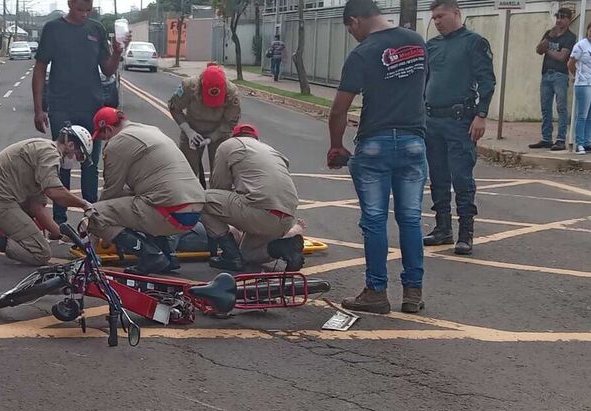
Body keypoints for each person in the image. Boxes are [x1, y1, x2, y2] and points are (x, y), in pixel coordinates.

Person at [327, 0, 428, 315]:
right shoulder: (418, 42)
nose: (353, 36)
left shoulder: (363, 53)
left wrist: (336, 146)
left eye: (350, 30)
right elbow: (421, 87)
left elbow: (339, 109)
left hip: (375, 143)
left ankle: (376, 291)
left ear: (355, 21)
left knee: (374, 221)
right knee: (410, 219)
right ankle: (413, 293)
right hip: (414, 141)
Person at [32, 0, 129, 225]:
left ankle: (92, 218)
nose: (84, 15)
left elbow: (107, 69)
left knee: (90, 165)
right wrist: (39, 109)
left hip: (92, 108)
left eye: (89, 10)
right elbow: (39, 69)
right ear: (69, 4)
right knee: (62, 163)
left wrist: (116, 52)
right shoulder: (53, 29)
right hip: (61, 106)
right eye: (79, 10)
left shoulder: (96, 29)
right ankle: (60, 221)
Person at [86, 107, 206, 274]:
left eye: (103, 136)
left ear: (108, 129)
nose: (104, 140)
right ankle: (167, 256)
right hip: (194, 209)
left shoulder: (117, 143)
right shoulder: (151, 130)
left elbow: (111, 192)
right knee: (142, 199)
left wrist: (92, 229)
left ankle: (151, 256)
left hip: (169, 211)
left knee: (97, 213)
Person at [423, 0, 495, 256]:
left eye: (441, 16)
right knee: (437, 176)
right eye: (434, 17)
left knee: (462, 177)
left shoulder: (474, 42)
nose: (437, 21)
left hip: (459, 121)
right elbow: (426, 80)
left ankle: (466, 232)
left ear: (456, 13)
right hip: (432, 120)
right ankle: (442, 227)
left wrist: (481, 115)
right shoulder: (431, 45)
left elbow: (487, 81)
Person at [0, 125, 96, 266]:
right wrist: (84, 204)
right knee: (41, 253)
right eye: (79, 156)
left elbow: (36, 206)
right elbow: (55, 192)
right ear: (70, 145)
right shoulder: (50, 154)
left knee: (36, 232)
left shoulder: (43, 149)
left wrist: (62, 235)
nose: (77, 161)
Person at [201, 124, 305, 272]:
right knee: (247, 254)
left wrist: (228, 226)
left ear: (235, 136)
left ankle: (230, 256)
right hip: (286, 217)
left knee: (200, 199)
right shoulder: (272, 151)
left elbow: (219, 187)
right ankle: (284, 249)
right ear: (257, 138)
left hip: (259, 212)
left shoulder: (228, 145)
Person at [167, 63, 242, 187]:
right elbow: (174, 108)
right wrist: (189, 131)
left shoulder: (232, 93)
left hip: (220, 132)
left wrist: (211, 138)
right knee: (187, 173)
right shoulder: (189, 86)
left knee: (220, 175)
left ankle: (217, 201)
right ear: (200, 86)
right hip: (192, 130)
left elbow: (230, 122)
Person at [529, 7, 576, 151]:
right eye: (558, 17)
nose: (559, 20)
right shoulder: (550, 33)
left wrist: (547, 49)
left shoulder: (570, 37)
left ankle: (561, 139)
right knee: (545, 107)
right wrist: (549, 37)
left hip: (560, 75)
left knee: (561, 108)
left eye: (562, 17)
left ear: (569, 19)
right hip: (546, 74)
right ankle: (546, 138)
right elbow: (538, 50)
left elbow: (562, 57)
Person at [569, 22, 591, 154]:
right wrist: (576, 75)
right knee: (582, 115)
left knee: (590, 115)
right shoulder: (581, 45)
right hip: (583, 84)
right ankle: (580, 143)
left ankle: (588, 141)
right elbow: (571, 63)